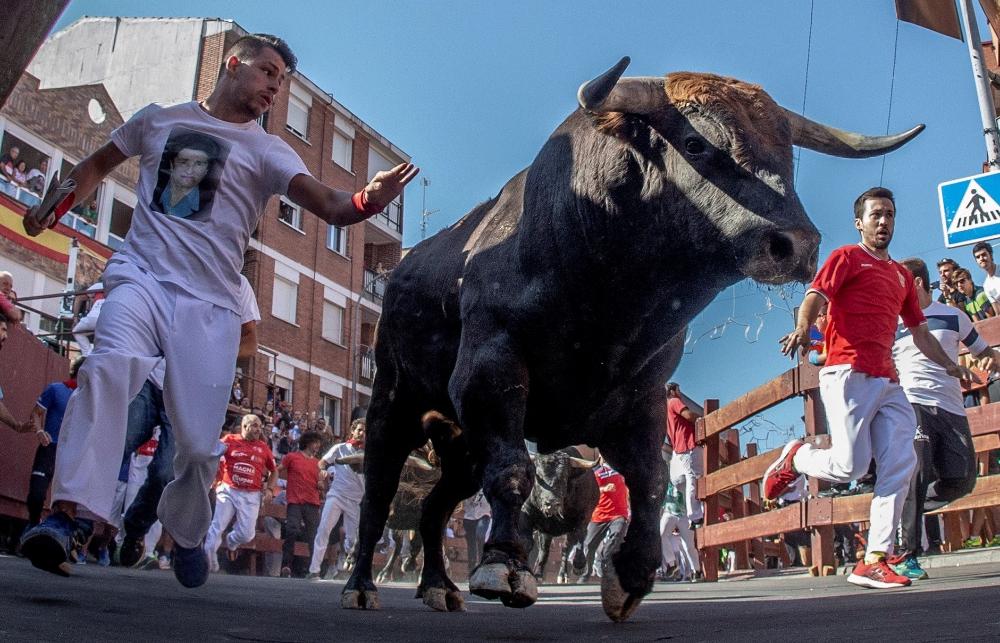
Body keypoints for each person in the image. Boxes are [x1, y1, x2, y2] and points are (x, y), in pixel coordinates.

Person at [18, 32, 417, 589]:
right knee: (107, 369)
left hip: (210, 303)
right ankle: (65, 519)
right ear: (233, 64)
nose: (274, 89)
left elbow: (330, 206)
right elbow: (96, 165)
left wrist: (368, 199)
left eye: (282, 82)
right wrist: (56, 203)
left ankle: (186, 532)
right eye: (268, 72)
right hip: (141, 276)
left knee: (198, 444)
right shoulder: (157, 120)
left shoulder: (268, 151)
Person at [769, 186, 976, 589]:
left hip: (889, 381)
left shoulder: (901, 276)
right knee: (851, 467)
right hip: (847, 373)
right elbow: (816, 294)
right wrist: (802, 326)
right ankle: (797, 457)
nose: (884, 222)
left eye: (890, 215)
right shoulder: (846, 257)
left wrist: (951, 365)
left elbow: (921, 334)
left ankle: (874, 559)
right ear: (859, 223)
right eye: (876, 215)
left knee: (901, 462)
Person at [117, 273, 260, 568]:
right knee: (116, 439)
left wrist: (210, 355)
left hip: (186, 391)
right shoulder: (174, 263)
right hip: (150, 379)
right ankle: (69, 524)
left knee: (164, 473)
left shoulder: (238, 285)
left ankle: (135, 528)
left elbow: (250, 344)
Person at [889, 258, 997, 580]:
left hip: (950, 407)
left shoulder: (953, 316)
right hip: (913, 402)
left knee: (963, 480)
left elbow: (984, 352)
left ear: (917, 283)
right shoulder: (892, 322)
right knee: (918, 471)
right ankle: (907, 554)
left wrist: (991, 360)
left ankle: (905, 509)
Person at [204, 413, 277, 572]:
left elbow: (274, 470)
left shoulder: (263, 447)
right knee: (217, 525)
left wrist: (270, 489)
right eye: (255, 425)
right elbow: (211, 455)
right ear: (244, 426)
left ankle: (231, 542)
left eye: (260, 426)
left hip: (251, 495)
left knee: (247, 535)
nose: (259, 429)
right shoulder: (229, 440)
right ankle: (208, 563)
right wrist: (213, 478)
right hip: (228, 490)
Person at [20, 358, 86, 528]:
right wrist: (39, 431)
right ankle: (34, 523)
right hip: (49, 448)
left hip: (73, 454)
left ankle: (56, 533)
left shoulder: (91, 399)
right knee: (36, 495)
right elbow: (36, 414)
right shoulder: (56, 389)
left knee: (65, 503)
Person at [306, 419, 365, 580]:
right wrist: (323, 470)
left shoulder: (369, 454)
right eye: (359, 430)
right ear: (353, 431)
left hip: (356, 500)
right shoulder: (340, 448)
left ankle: (349, 569)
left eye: (365, 431)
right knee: (324, 529)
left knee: (353, 539)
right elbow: (322, 462)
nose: (362, 433)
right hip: (337, 495)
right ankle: (314, 570)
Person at [578, 454, 629, 583]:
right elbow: (588, 490)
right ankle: (586, 573)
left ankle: (604, 557)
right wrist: (604, 488)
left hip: (618, 513)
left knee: (617, 534)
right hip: (599, 515)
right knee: (588, 545)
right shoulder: (595, 471)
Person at [279, 430, 323, 577]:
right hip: (295, 501)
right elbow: (277, 470)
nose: (317, 446)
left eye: (319, 443)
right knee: (291, 530)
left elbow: (321, 485)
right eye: (315, 442)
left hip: (312, 502)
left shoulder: (318, 463)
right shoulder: (292, 457)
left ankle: (314, 569)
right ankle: (286, 565)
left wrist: (321, 485)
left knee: (313, 535)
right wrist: (269, 485)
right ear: (307, 442)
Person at [665, 382, 704, 527]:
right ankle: (695, 516)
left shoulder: (665, 411)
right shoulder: (674, 401)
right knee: (695, 478)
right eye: (678, 390)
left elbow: (669, 437)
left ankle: (694, 515)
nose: (680, 393)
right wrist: (704, 419)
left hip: (680, 448)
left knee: (692, 478)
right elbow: (688, 415)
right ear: (672, 391)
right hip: (688, 444)